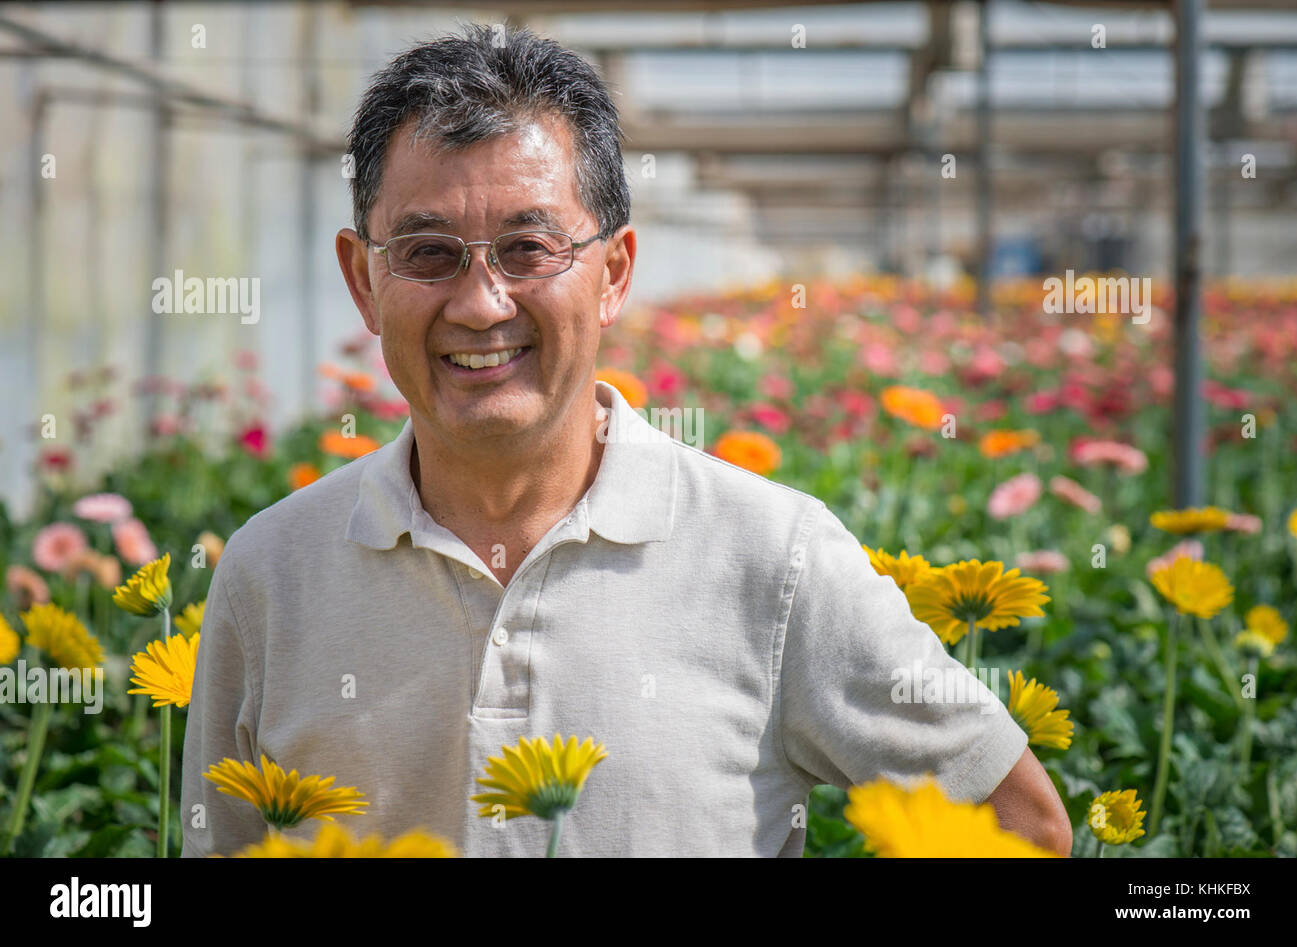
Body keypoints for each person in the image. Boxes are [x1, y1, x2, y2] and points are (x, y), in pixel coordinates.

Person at [180, 23, 1072, 858]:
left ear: (613, 274)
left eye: (529, 247)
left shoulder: (774, 559)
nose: (482, 303)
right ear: (362, 280)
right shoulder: (269, 573)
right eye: (427, 252)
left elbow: (1024, 827)